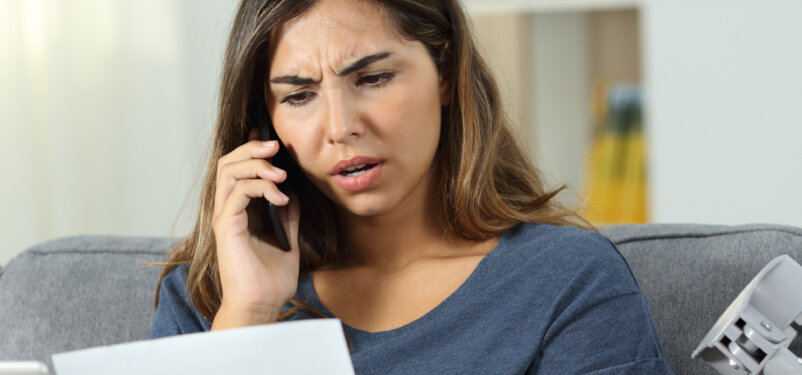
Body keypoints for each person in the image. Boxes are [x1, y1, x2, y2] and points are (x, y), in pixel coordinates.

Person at [149, 0, 673, 373]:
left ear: (444, 72)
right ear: (265, 126)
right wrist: (249, 314)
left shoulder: (567, 282)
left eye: (373, 79)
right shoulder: (210, 295)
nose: (339, 127)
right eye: (299, 96)